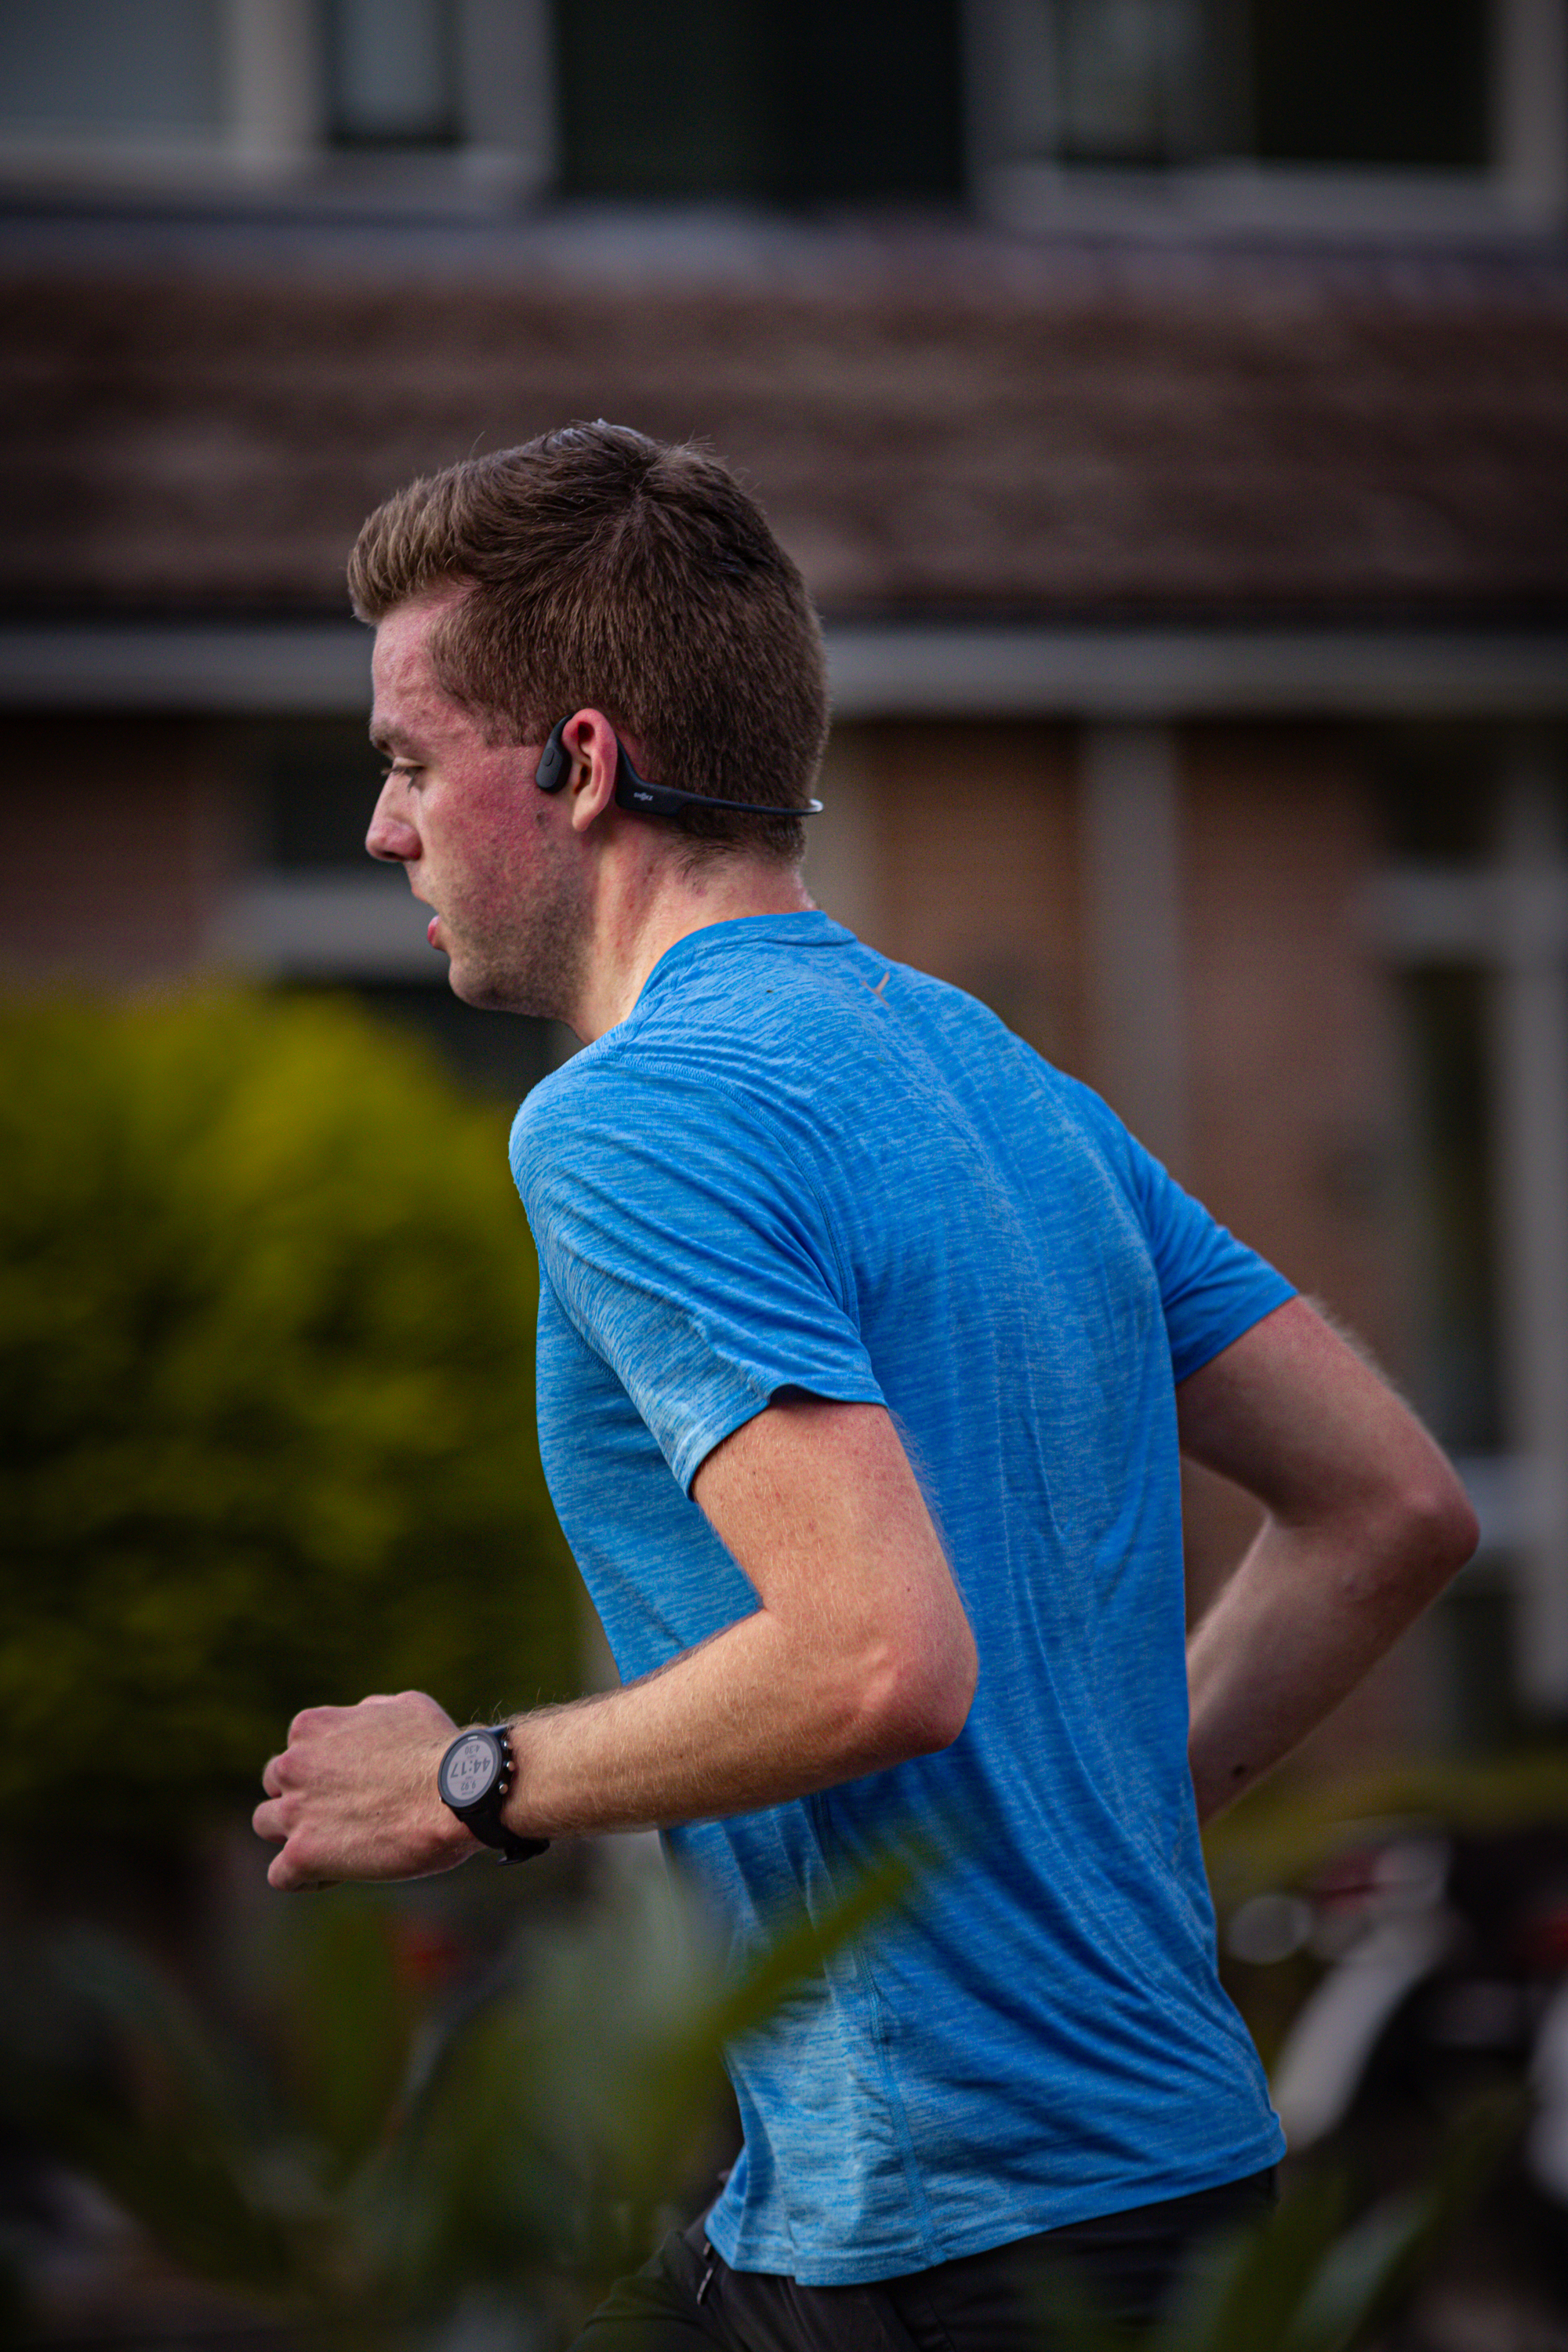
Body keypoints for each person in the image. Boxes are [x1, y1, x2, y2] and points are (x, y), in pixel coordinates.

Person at [253, 423, 1479, 2347]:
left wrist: (469, 1780)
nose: (382, 829)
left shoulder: (628, 1117)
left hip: (956, 2245)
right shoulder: (995, 1076)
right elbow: (1391, 1507)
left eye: (411, 763)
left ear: (577, 766)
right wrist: (1095, 1828)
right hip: (1174, 2191)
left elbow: (872, 1660)